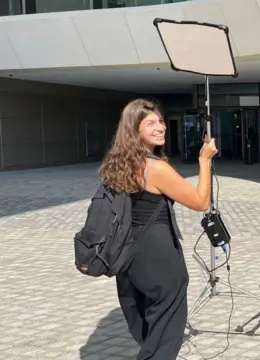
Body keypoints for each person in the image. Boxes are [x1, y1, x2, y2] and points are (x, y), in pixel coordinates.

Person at [98, 98, 218, 360]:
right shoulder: (155, 168)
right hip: (158, 256)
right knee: (165, 333)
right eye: (150, 123)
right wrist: (204, 161)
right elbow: (200, 202)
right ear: (134, 130)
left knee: (150, 327)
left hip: (127, 254)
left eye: (161, 120)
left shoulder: (116, 164)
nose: (160, 126)